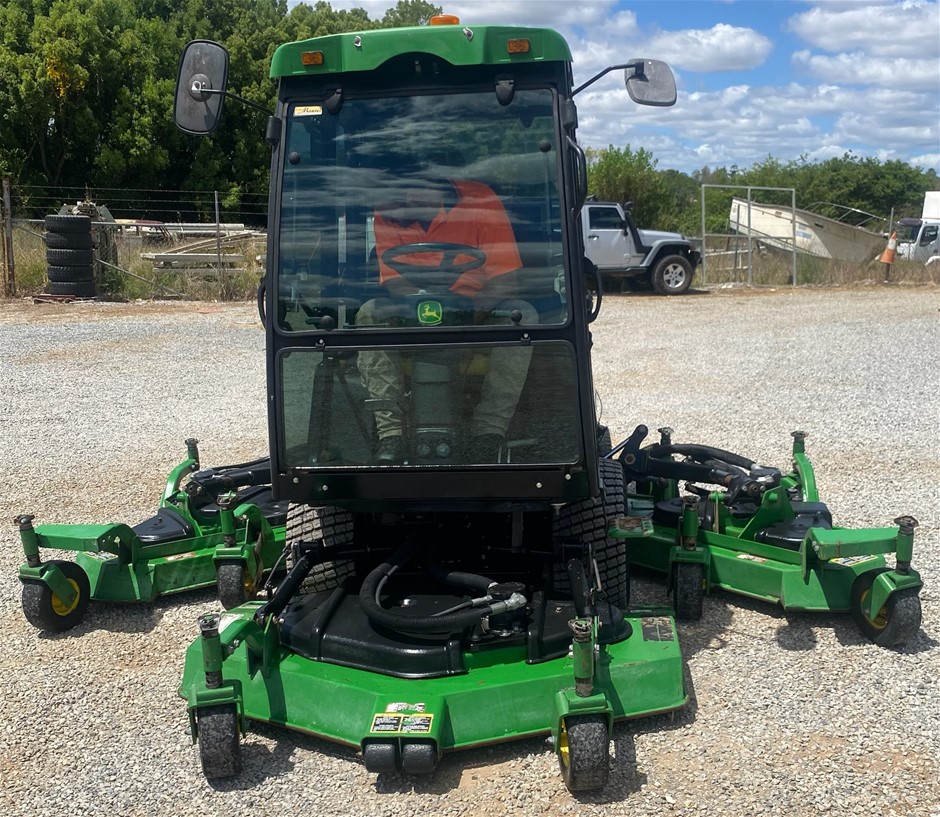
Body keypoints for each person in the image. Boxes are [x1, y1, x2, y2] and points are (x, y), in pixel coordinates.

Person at [356, 174, 537, 464]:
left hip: (476, 318)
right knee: (368, 313)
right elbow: (393, 281)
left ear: (434, 184)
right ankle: (391, 435)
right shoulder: (389, 209)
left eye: (410, 195)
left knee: (523, 316)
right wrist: (416, 311)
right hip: (411, 317)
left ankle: (489, 433)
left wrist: (464, 315)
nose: (403, 205)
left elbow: (506, 280)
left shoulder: (481, 200)